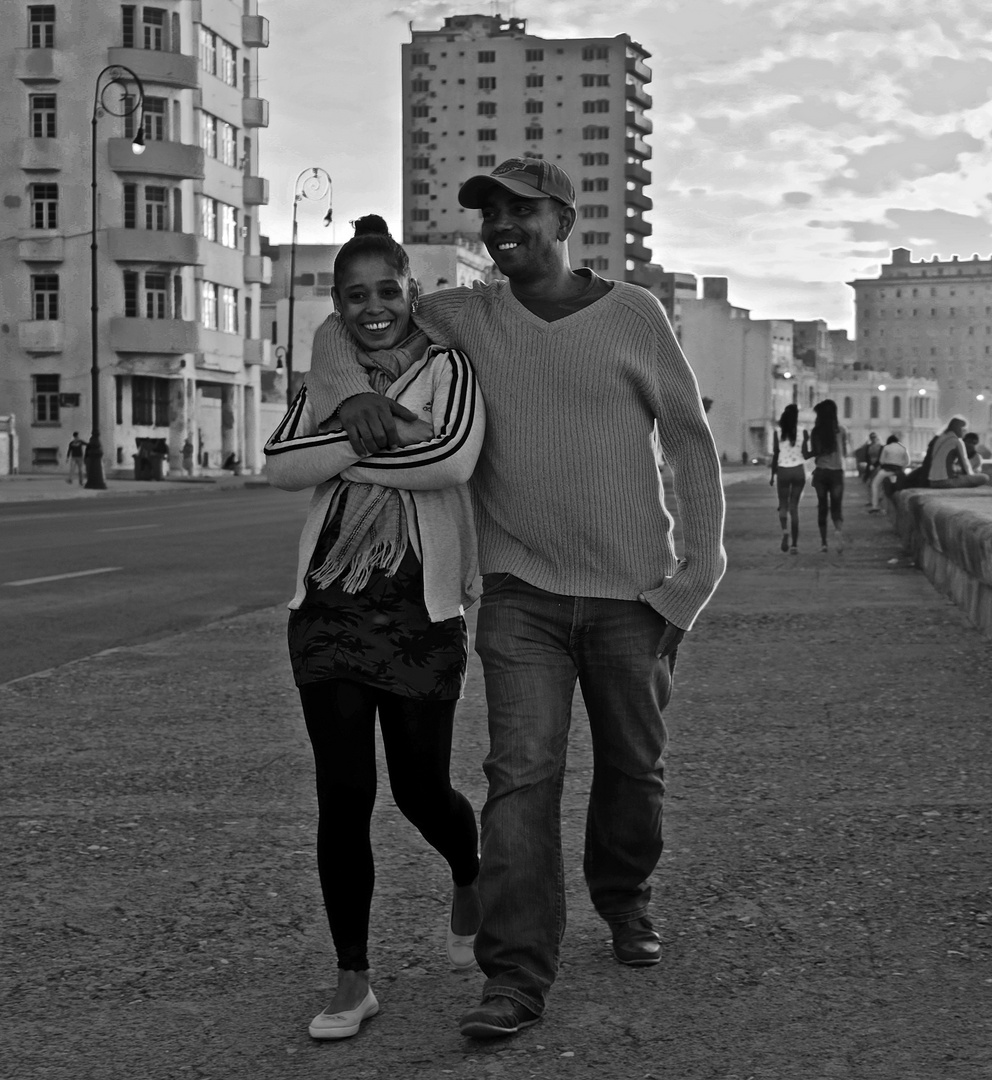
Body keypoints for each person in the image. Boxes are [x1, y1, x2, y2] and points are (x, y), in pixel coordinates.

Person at [305, 157, 727, 1041]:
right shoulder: (467, 316)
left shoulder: (635, 315)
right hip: (520, 594)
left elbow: (690, 443)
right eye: (489, 213)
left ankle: (623, 896)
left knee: (632, 773)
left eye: (520, 210)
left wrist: (691, 579)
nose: (501, 225)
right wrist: (346, 394)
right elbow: (352, 322)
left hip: (632, 594)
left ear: (564, 217)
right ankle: (515, 975)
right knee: (520, 779)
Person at [262, 216, 488, 1041]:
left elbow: (452, 459)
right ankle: (352, 976)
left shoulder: (449, 369)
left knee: (421, 788)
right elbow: (281, 463)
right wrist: (370, 426)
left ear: (411, 292)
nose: (373, 307)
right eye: (355, 296)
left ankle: (470, 871)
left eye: (387, 290)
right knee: (343, 796)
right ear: (338, 304)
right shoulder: (328, 380)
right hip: (327, 611)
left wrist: (345, 441)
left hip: (419, 615)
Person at [806, 400, 849, 553]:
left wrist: (805, 447)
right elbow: (845, 452)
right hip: (836, 473)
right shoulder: (841, 430)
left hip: (821, 473)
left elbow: (813, 453)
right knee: (837, 506)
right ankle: (838, 530)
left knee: (822, 506)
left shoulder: (816, 431)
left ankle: (824, 543)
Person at [769, 403, 807, 554]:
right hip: (798, 470)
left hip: (783, 471)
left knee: (783, 505)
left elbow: (775, 455)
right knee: (794, 508)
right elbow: (805, 452)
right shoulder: (803, 431)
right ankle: (795, 545)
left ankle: (785, 531)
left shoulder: (777, 432)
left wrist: (772, 475)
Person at [928, 415, 990, 489]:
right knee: (984, 477)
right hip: (946, 481)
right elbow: (966, 467)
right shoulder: (957, 441)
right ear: (959, 429)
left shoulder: (940, 438)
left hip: (932, 482)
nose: (964, 432)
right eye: (964, 430)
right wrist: (971, 477)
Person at [869, 434, 910, 512]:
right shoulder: (903, 448)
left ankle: (875, 505)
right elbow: (907, 462)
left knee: (875, 484)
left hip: (886, 471)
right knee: (895, 488)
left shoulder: (886, 447)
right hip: (898, 472)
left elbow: (881, 461)